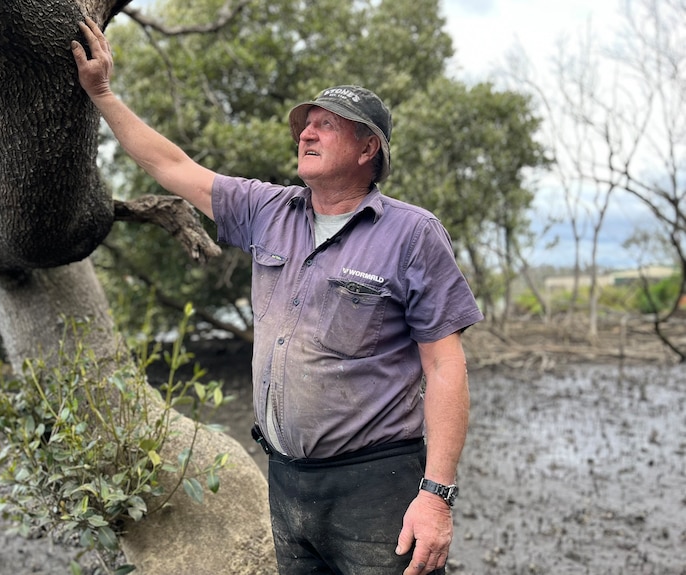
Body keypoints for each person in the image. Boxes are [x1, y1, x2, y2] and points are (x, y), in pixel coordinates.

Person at [71, 17, 483, 575]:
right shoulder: (267, 210)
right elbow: (172, 165)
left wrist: (436, 496)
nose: (305, 134)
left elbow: (445, 367)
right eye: (304, 125)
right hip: (287, 482)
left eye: (326, 126)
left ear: (369, 148)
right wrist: (102, 93)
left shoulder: (412, 234)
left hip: (377, 484)